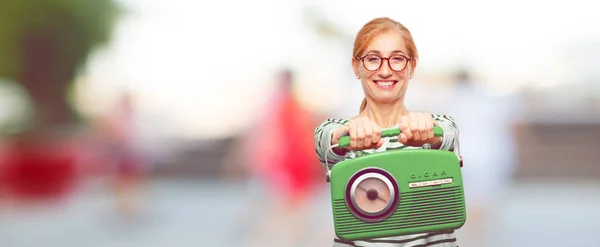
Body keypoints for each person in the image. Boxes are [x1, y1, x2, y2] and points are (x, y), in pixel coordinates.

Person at [314, 17, 461, 247]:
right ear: (356, 66)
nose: (385, 70)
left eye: (397, 59)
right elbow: (327, 142)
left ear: (412, 67)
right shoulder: (337, 133)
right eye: (373, 59)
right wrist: (347, 135)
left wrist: (430, 131)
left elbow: (447, 135)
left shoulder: (436, 126)